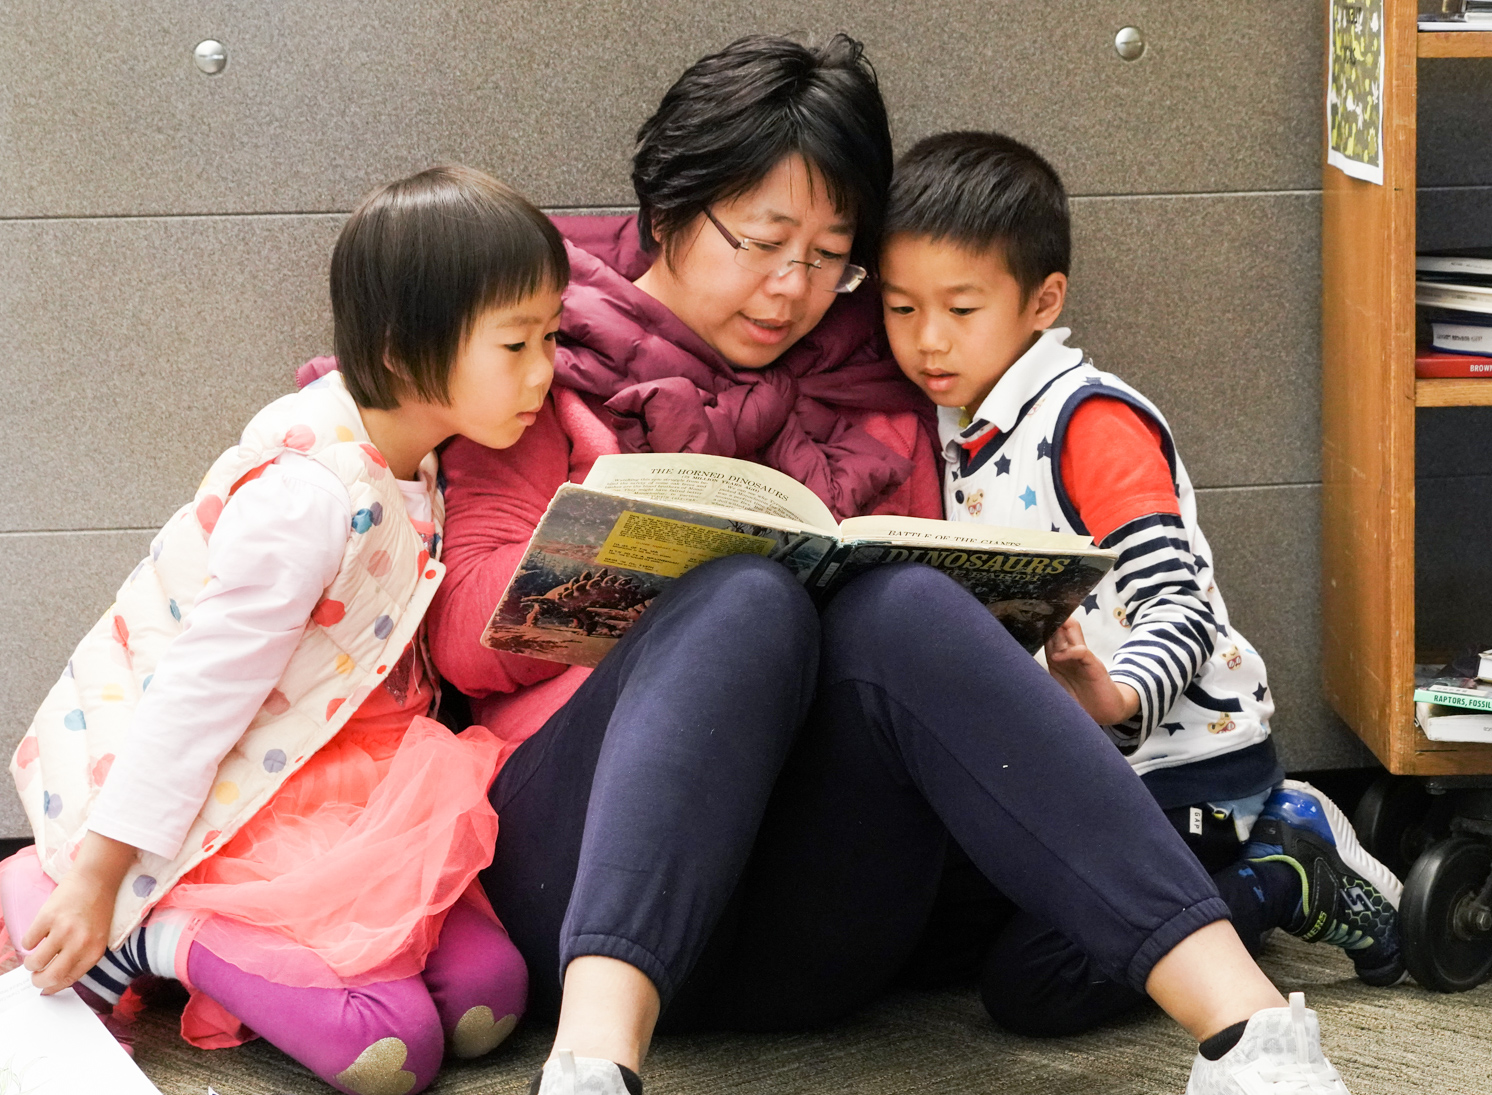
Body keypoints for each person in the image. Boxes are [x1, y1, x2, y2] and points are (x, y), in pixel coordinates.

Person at [425, 35, 1353, 1095]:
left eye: (830, 256)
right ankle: (592, 1069)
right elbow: (459, 632)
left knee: (903, 601)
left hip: (808, 926)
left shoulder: (877, 368)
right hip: (576, 870)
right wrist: (629, 566)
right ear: (672, 207)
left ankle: (1256, 1042)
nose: (792, 289)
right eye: (763, 242)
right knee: (740, 600)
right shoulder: (533, 344)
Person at [0, 165, 564, 1095]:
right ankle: (155, 933)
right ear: (402, 346)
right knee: (393, 1055)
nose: (544, 371)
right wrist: (101, 879)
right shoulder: (311, 495)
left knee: (488, 1000)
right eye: (516, 344)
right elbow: (197, 696)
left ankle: (233, 940)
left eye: (551, 335)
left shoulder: (420, 456)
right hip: (244, 787)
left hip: (358, 772)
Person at [879, 129, 1403, 1034]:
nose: (927, 341)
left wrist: (1117, 699)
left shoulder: (1092, 424)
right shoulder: (955, 422)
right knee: (916, 939)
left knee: (1033, 986)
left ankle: (1282, 864)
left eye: (960, 310)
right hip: (1064, 767)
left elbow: (1182, 604)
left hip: (1177, 770)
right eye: (899, 308)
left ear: (1042, 301)